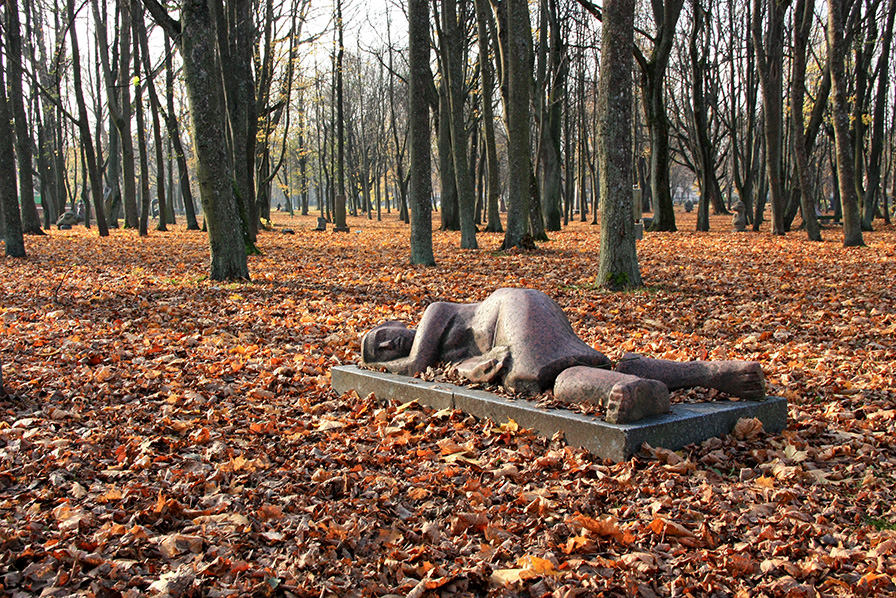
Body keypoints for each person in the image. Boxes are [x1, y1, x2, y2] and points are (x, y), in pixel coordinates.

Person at [361, 288, 766, 424]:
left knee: (542, 377)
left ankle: (639, 391)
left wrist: (367, 368)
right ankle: (711, 373)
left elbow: (414, 367)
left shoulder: (433, 312)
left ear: (397, 322)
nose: (383, 347)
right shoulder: (441, 348)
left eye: (380, 336)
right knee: (586, 363)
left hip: (509, 314)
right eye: (376, 353)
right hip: (525, 307)